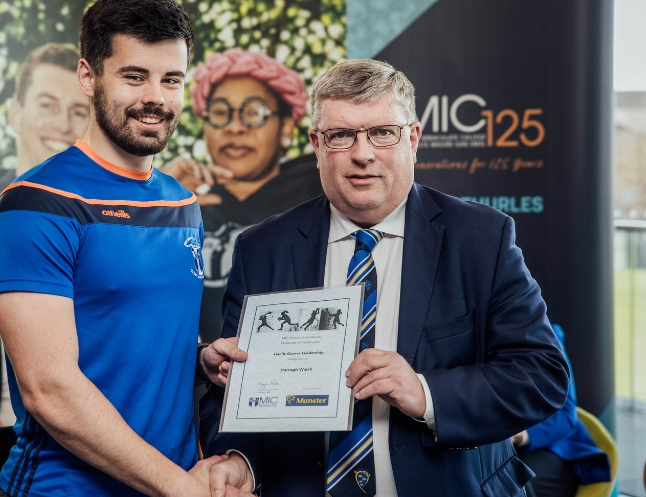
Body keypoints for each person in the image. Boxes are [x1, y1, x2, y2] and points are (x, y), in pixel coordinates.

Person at [198, 59, 570, 496]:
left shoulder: (481, 238)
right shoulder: (262, 249)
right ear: (316, 145)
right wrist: (240, 459)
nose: (362, 154)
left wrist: (426, 393)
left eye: (382, 132)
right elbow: (231, 395)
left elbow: (540, 375)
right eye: (341, 136)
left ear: (412, 138)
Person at [0, 0, 251, 497]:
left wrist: (197, 358)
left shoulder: (181, 204)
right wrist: (181, 488)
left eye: (170, 79)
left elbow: (125, 334)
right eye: (134, 76)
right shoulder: (35, 205)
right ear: (89, 76)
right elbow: (51, 392)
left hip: (171, 482)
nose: (155, 97)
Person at [162, 49, 323, 342]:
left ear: (286, 128)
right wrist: (156, 201)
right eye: (221, 113)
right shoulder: (181, 206)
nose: (235, 127)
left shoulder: (321, 192)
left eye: (254, 113)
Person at [0, 43, 90, 315]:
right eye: (47, 105)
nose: (62, 125)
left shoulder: (103, 218)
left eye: (79, 112)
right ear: (15, 115)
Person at [514, 324, 611, 497]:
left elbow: (565, 415)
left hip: (550, 446)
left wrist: (520, 435)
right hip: (490, 449)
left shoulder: (544, 332)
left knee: (513, 483)